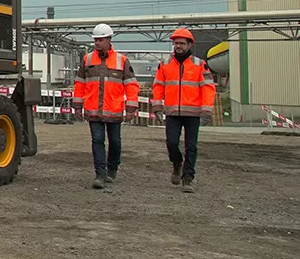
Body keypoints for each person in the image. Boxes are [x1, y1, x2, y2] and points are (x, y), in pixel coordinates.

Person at [72, 23, 140, 188]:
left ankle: (112, 169)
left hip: (114, 109)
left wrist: (131, 108)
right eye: (95, 40)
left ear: (109, 39)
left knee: (115, 142)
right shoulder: (87, 60)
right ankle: (100, 175)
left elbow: (131, 85)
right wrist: (78, 106)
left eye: (100, 40)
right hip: (94, 109)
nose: (97, 43)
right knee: (97, 140)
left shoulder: (121, 60)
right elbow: (79, 84)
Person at [150, 27, 216, 193]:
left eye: (181, 43)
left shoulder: (200, 65)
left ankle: (188, 178)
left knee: (191, 147)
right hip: (173, 113)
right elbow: (158, 86)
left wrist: (206, 111)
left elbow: (208, 88)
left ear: (189, 44)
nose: (178, 46)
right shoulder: (164, 65)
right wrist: (157, 107)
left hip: (193, 114)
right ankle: (177, 163)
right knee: (172, 143)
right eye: (175, 43)